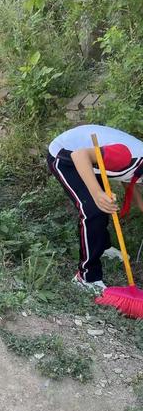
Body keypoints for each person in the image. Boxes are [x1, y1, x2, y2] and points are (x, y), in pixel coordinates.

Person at [47, 124, 143, 292]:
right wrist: (97, 194)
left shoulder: (138, 165)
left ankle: (102, 247)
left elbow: (129, 180)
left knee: (102, 205)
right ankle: (86, 278)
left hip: (91, 162)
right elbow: (80, 155)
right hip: (67, 157)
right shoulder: (126, 155)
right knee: (94, 210)